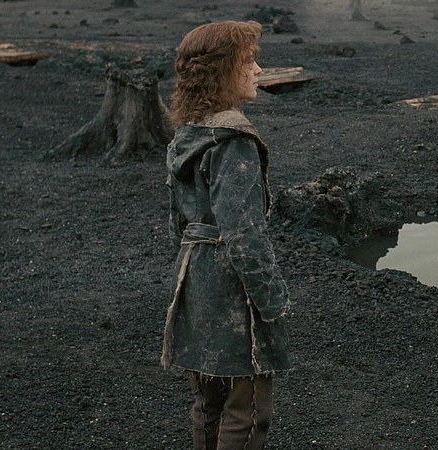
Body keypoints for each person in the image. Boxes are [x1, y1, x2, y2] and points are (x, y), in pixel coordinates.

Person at [161, 20, 291, 450]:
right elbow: (244, 234)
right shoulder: (234, 141)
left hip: (194, 279)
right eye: (249, 61)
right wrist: (272, 300)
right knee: (248, 411)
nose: (259, 70)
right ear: (222, 71)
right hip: (232, 288)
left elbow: (178, 226)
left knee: (209, 404)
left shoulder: (187, 135)